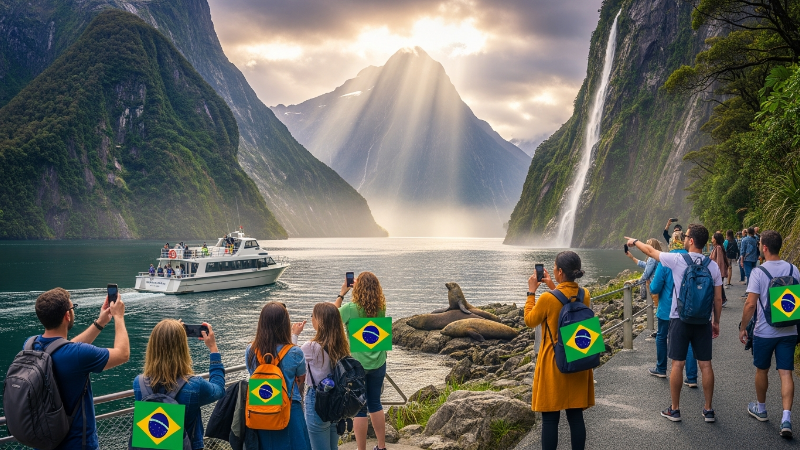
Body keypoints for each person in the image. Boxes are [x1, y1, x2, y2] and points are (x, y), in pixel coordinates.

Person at [626, 223, 723, 423]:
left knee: (677, 364)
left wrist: (634, 242)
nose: (685, 238)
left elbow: (651, 251)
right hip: (703, 320)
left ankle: (675, 409)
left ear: (692, 240)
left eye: (687, 236)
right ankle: (708, 410)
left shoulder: (677, 260)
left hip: (679, 318)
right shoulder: (712, 265)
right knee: (706, 365)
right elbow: (718, 299)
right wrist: (716, 322)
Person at [25, 288, 129, 449]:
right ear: (67, 315)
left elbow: (62, 347)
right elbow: (123, 354)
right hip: (78, 444)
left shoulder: (31, 345)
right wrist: (119, 317)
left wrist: (100, 322)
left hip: (44, 441)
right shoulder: (77, 354)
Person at [524, 251, 593, 450]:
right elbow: (567, 302)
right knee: (575, 416)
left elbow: (530, 320)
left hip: (553, 364)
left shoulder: (547, 299)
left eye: (555, 268)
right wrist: (554, 286)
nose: (553, 270)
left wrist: (531, 293)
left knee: (550, 419)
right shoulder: (584, 294)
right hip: (578, 358)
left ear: (560, 271)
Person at [739, 230, 798, 438]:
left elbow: (750, 304)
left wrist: (742, 327)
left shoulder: (758, 272)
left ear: (764, 247)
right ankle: (786, 418)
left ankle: (761, 408)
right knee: (786, 373)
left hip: (765, 332)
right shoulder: (794, 269)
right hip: (790, 330)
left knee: (762, 370)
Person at [133, 320, 225, 449]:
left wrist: (169, 330)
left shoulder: (139, 382)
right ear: (182, 348)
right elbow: (219, 390)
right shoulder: (194, 385)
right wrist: (213, 348)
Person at [245, 302, 310, 450]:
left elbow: (252, 372)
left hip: (260, 410)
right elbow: (301, 379)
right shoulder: (295, 352)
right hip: (290, 410)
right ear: (285, 323)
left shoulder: (251, 350)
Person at [335, 272, 388, 450]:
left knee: (360, 408)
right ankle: (381, 446)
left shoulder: (351, 309)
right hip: (379, 362)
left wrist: (342, 293)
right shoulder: (381, 307)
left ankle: (361, 449)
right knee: (375, 403)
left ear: (357, 288)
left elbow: (331, 317)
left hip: (358, 366)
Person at [649, 237, 699, 385]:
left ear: (671, 244)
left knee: (661, 336)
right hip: (688, 309)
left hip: (666, 309)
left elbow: (654, 288)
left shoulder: (667, 261)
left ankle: (661, 368)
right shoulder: (692, 260)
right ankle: (691, 377)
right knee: (690, 341)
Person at [301, 303, 351, 450]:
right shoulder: (341, 344)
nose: (311, 319)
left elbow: (290, 360)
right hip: (337, 401)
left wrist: (294, 334)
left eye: (313, 316)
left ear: (320, 321)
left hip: (317, 400)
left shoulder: (310, 347)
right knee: (332, 446)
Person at [709, 232, 730, 306]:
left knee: (718, 286)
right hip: (719, 271)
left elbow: (719, 261)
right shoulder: (718, 247)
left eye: (712, 237)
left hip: (719, 271)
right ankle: (723, 299)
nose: (712, 239)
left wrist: (717, 272)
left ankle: (723, 300)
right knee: (719, 286)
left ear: (716, 239)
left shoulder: (718, 248)